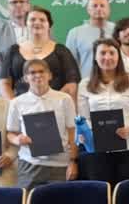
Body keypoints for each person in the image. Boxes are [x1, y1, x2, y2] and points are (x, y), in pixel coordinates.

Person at [77, 38, 129, 187]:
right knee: (101, 192)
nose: (107, 57)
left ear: (118, 56)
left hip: (128, 147)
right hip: (97, 150)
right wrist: (90, 132)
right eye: (102, 53)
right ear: (95, 57)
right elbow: (83, 117)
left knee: (126, 191)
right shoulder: (84, 85)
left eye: (112, 53)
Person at [6, 58, 77, 188]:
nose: (38, 75)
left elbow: (72, 133)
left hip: (60, 164)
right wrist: (17, 139)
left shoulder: (64, 99)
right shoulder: (16, 102)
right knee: (27, 200)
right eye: (32, 72)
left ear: (49, 75)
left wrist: (73, 161)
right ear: (25, 78)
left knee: (60, 200)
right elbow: (10, 133)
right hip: (29, 163)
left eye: (41, 71)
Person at [1, 5, 80, 100]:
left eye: (42, 20)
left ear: (49, 25)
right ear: (26, 24)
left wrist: (52, 103)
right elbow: (5, 83)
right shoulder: (13, 51)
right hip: (21, 107)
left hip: (55, 106)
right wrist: (16, 105)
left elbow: (71, 83)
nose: (37, 22)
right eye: (32, 20)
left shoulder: (61, 51)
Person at [65, 0, 116, 77]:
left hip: (115, 82)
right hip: (87, 82)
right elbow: (69, 65)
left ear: (109, 9)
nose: (99, 8)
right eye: (95, 6)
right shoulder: (75, 33)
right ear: (88, 10)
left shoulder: (118, 30)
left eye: (102, 6)